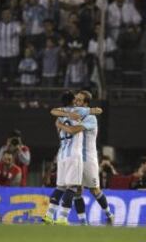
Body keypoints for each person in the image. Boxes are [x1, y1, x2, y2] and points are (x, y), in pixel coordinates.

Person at [51, 91, 114, 225]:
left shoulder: (90, 118)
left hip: (88, 159)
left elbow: (73, 130)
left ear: (85, 103)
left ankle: (109, 213)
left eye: (79, 100)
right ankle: (83, 222)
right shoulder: (75, 114)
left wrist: (60, 125)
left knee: (94, 190)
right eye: (76, 100)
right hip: (76, 158)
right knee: (77, 190)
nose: (76, 102)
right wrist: (66, 115)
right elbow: (54, 111)